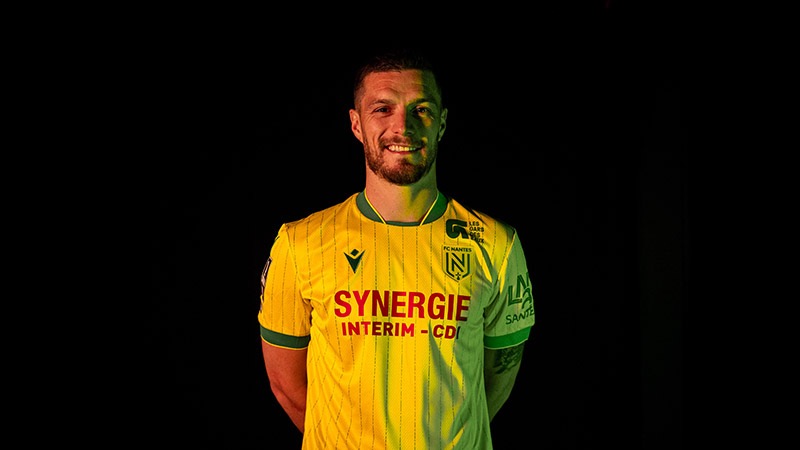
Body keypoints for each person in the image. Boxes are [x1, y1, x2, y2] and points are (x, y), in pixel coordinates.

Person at [257, 47, 536, 449]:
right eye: (382, 109)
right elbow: (286, 385)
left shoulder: (496, 244)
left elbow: (499, 377)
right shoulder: (299, 243)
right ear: (356, 124)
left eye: (421, 109)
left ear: (442, 123)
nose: (402, 127)